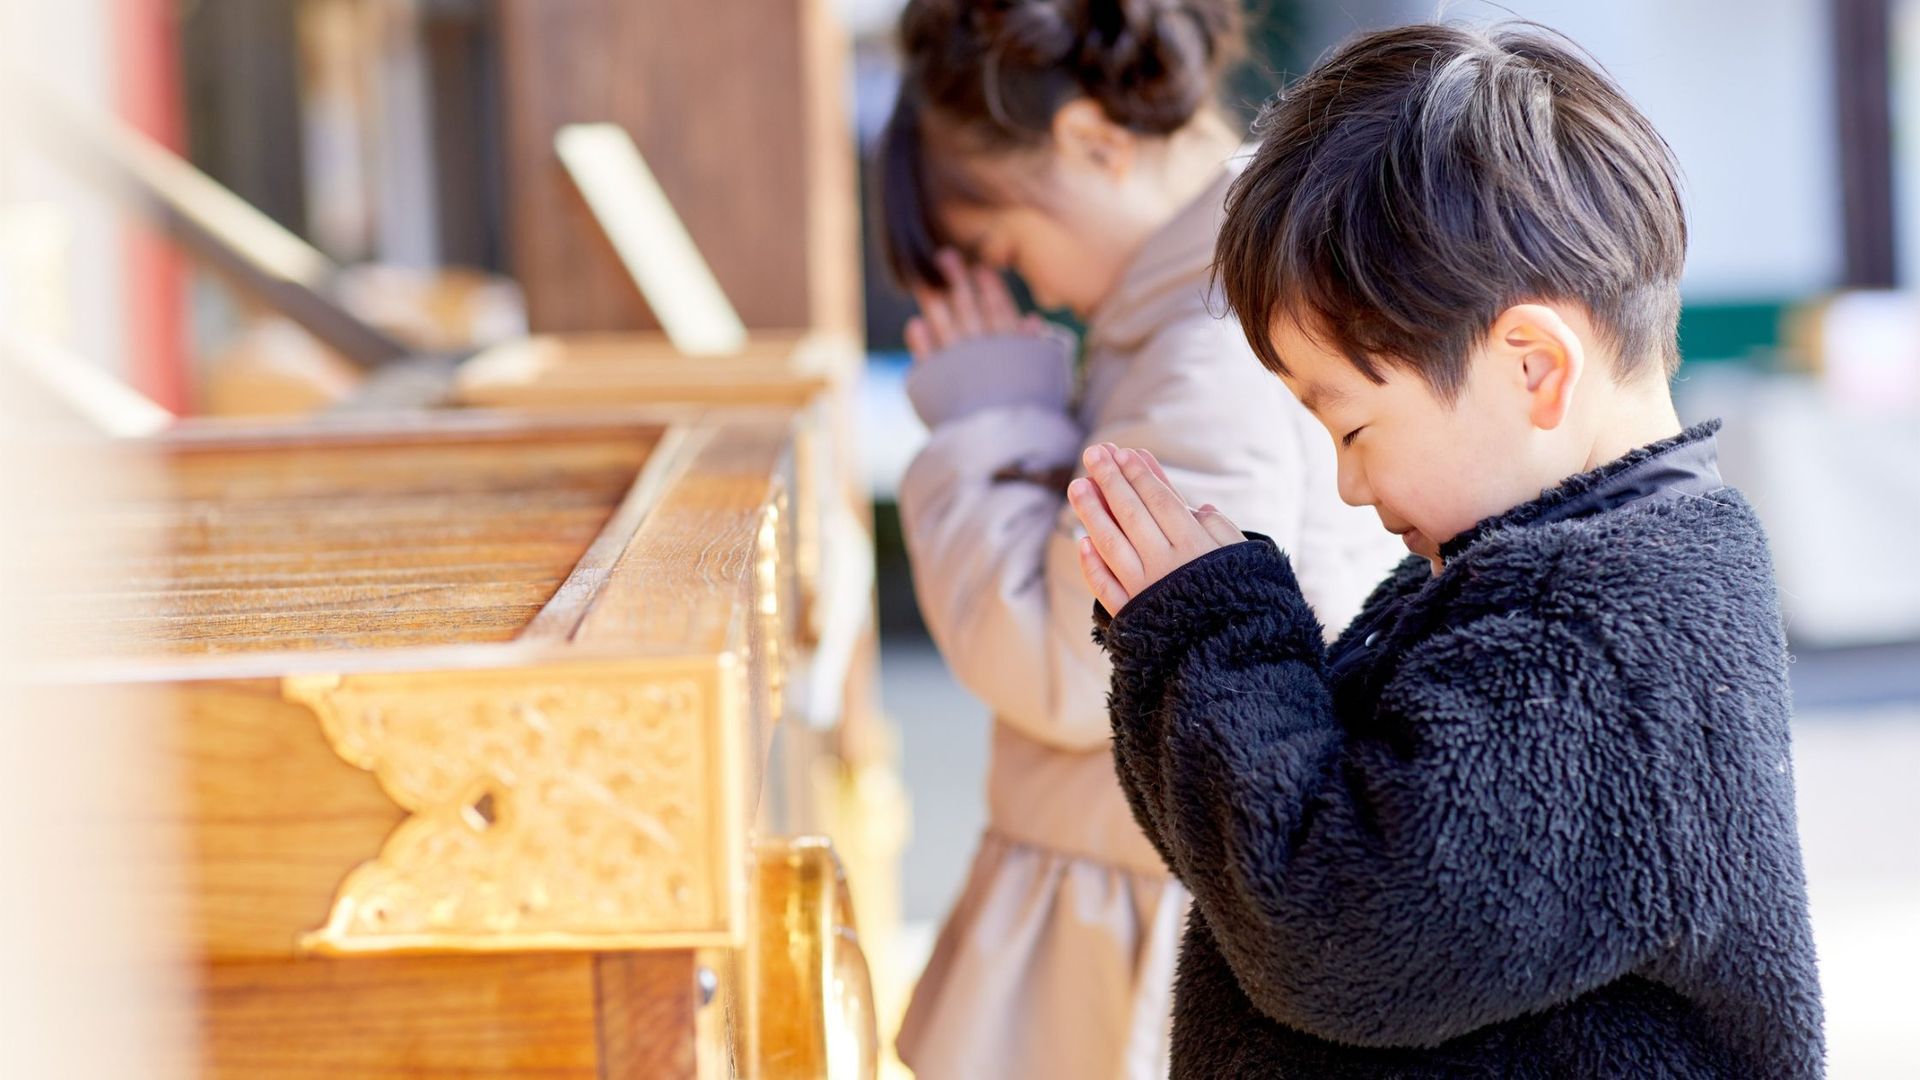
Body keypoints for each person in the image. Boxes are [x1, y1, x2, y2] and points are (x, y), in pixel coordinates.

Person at [1070, 22, 1824, 1078]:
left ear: (1532, 369)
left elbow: (1338, 933)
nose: (1348, 481)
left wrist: (1213, 636)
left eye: (1354, 427)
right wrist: (1176, 642)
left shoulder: (1603, 643)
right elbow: (1256, 878)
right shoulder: (1547, 572)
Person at [877, 1, 1401, 1076]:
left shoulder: (1206, 345)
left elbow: (1079, 665)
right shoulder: (1200, 310)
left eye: (1005, 245)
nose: (1030, 288)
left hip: (1146, 921)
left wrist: (988, 425)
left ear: (1090, 141)